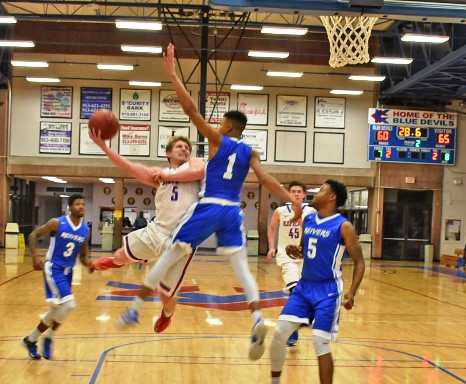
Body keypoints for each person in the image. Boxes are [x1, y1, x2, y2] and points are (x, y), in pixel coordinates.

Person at [116, 43, 303, 361]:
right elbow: (267, 181)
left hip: (209, 205)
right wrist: (293, 203)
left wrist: (173, 74)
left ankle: (134, 309)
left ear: (228, 127)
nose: (215, 128)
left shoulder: (217, 140)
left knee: (169, 253)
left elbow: (190, 110)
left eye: (219, 125)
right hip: (234, 211)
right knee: (242, 268)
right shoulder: (250, 152)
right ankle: (257, 318)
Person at [88, 132, 204, 333]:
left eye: (187, 147)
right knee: (120, 255)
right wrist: (104, 148)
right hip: (157, 230)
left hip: (182, 240)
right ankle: (110, 262)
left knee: (167, 297)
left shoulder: (194, 164)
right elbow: (129, 167)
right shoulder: (159, 174)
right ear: (168, 153)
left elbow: (198, 171)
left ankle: (166, 316)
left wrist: (168, 175)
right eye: (179, 147)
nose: (185, 149)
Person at [270, 180, 365, 384]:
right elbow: (303, 249)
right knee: (279, 333)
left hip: (328, 290)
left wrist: (352, 293)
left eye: (322, 189)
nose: (316, 192)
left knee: (320, 342)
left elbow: (360, 262)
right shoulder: (310, 219)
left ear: (332, 198)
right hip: (304, 286)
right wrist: (293, 250)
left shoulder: (343, 226)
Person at [21, 194, 90, 360]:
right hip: (53, 267)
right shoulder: (57, 222)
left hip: (68, 272)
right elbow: (32, 235)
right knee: (70, 305)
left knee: (57, 310)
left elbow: (83, 256)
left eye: (83, 204)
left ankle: (30, 340)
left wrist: (92, 264)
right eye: (78, 204)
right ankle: (49, 338)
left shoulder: (85, 229)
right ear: (70, 207)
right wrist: (35, 257)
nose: (81, 207)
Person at [266, 181, 315, 346]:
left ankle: (294, 322)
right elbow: (271, 228)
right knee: (295, 290)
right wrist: (272, 247)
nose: (295, 194)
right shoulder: (280, 211)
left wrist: (300, 219)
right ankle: (292, 330)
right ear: (288, 194)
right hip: (286, 255)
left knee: (298, 295)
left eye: (298, 191)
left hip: (305, 257)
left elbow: (314, 231)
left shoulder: (311, 211)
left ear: (303, 195)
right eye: (292, 191)